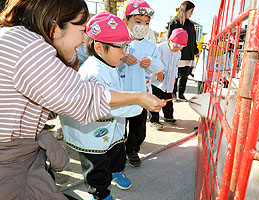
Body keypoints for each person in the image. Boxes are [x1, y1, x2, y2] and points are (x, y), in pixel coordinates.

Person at [0, 0, 165, 200]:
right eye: (81, 29)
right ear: (55, 26)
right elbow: (81, 97)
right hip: (11, 161)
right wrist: (138, 98)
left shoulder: (18, 39)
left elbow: (50, 101)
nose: (83, 39)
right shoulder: (31, 48)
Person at [60, 12, 144, 200]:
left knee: (116, 151)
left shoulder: (109, 64)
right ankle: (100, 194)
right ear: (99, 47)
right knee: (96, 166)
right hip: (90, 131)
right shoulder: (93, 72)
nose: (124, 51)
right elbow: (108, 103)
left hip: (108, 126)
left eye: (126, 46)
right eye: (121, 47)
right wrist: (139, 103)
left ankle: (116, 171)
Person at [119, 0, 163, 167]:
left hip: (142, 93)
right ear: (126, 21)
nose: (142, 26)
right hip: (121, 93)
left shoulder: (151, 47)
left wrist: (150, 63)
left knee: (138, 126)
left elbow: (158, 66)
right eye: (138, 22)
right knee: (119, 125)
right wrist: (122, 58)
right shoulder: (119, 42)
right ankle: (118, 151)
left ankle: (132, 149)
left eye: (146, 23)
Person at [150, 28, 188, 130]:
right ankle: (154, 120)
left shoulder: (178, 53)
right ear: (169, 40)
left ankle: (168, 117)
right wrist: (157, 71)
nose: (177, 48)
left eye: (181, 47)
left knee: (168, 99)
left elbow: (176, 66)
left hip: (169, 81)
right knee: (156, 100)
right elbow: (153, 61)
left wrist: (175, 77)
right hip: (157, 81)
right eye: (176, 45)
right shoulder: (160, 48)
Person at [168, 1, 199, 100]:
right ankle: (172, 93)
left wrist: (196, 51)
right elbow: (170, 38)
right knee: (175, 75)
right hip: (178, 53)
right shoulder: (174, 22)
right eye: (191, 11)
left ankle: (181, 94)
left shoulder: (191, 24)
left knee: (184, 76)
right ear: (185, 10)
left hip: (189, 54)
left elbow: (193, 39)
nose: (192, 13)